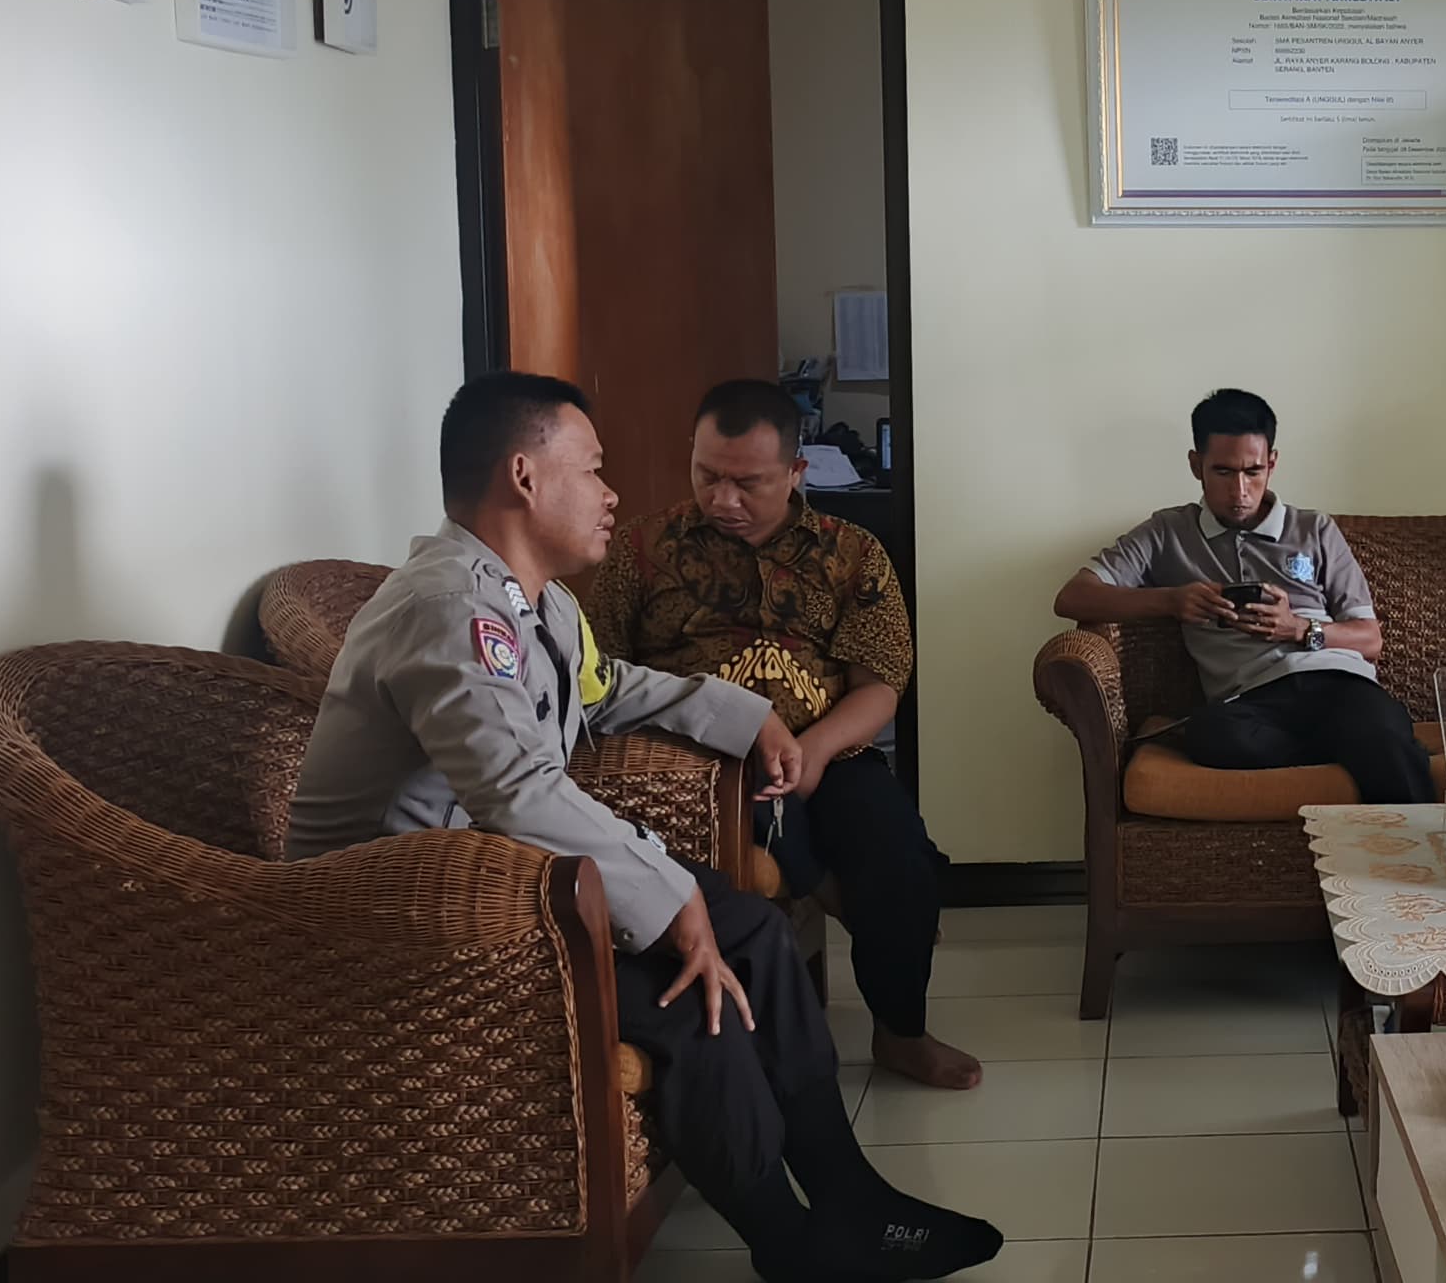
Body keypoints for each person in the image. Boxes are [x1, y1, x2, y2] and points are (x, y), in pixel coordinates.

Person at [289, 372, 1001, 1282]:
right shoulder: (449, 610)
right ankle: (791, 1244)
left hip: (502, 879)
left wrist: (750, 718)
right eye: (591, 468)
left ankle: (848, 1194)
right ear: (524, 477)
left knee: (754, 935)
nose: (612, 492)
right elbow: (515, 790)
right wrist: (668, 902)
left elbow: (608, 687)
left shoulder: (535, 600)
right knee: (693, 997)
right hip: (409, 916)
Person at [586, 379, 980, 1092]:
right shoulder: (641, 550)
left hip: (830, 747)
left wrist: (818, 752)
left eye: (749, 484)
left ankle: (901, 1032)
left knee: (896, 854)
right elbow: (600, 675)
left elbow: (880, 681)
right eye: (708, 475)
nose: (723, 500)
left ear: (796, 472)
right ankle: (841, 897)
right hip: (693, 763)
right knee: (781, 829)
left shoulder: (851, 552)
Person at [1050, 388, 1432, 803]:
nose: (1240, 491)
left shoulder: (1314, 529)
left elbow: (1370, 639)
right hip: (1250, 701)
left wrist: (1299, 628)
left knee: (1380, 731)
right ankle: (1351, 751)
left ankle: (1414, 831)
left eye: (1253, 471)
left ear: (1272, 463)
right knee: (1213, 736)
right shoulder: (1167, 534)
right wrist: (1172, 601)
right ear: (1196, 465)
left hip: (1337, 682)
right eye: (1223, 472)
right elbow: (1073, 597)